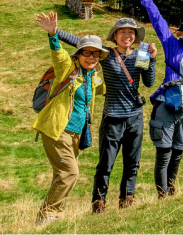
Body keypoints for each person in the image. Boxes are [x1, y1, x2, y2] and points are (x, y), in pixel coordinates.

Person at [55, 17, 154, 211]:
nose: (127, 36)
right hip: (112, 118)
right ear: (115, 36)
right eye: (122, 32)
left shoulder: (141, 53)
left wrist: (153, 59)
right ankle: (98, 202)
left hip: (135, 117)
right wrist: (55, 32)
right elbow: (79, 42)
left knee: (132, 163)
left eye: (131, 32)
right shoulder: (107, 56)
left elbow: (149, 82)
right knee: (106, 164)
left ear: (135, 37)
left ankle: (127, 200)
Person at [129, 0, 183, 196]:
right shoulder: (172, 45)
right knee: (163, 153)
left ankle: (172, 193)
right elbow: (158, 20)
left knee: (178, 152)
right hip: (166, 105)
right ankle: (162, 195)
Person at [31, 12, 106, 225]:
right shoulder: (68, 68)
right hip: (57, 130)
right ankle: (48, 215)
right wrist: (53, 35)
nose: (91, 57)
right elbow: (59, 55)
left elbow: (103, 88)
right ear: (78, 54)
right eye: (87, 53)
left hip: (76, 134)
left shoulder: (93, 76)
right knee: (70, 172)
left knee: (62, 175)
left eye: (96, 54)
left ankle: (54, 215)